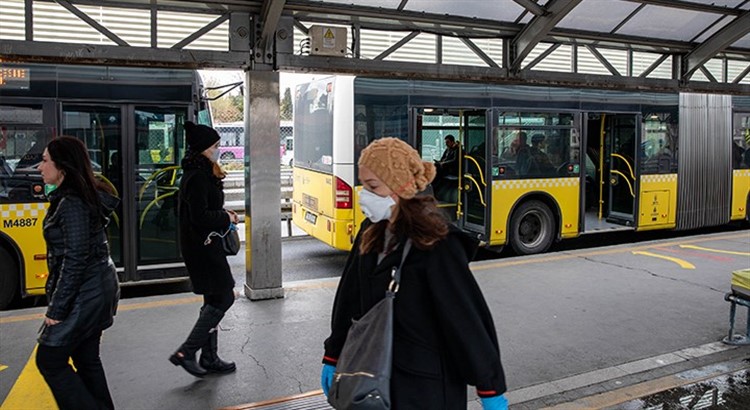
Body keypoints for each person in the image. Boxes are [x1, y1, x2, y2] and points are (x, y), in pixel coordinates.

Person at [320, 137, 508, 409]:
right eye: (363, 184)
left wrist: (490, 387)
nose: (364, 194)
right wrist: (333, 353)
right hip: (373, 377)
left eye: (372, 186)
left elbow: (465, 318)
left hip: (425, 387)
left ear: (400, 188)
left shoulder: (436, 243)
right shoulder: (370, 232)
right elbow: (349, 297)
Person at [36, 136, 120, 410]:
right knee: (86, 358)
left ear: (63, 166)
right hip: (95, 289)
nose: (40, 167)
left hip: (87, 293)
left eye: (45, 160)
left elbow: (76, 258)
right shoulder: (72, 197)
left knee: (49, 359)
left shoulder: (71, 202)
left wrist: (57, 309)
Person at [169, 121, 239, 377]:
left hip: (204, 245)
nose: (219, 150)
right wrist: (226, 218)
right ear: (203, 149)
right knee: (225, 297)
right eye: (215, 146)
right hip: (203, 248)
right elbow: (199, 216)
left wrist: (222, 214)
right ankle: (186, 352)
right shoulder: (197, 177)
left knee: (213, 299)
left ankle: (209, 357)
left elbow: (203, 211)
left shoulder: (200, 172)